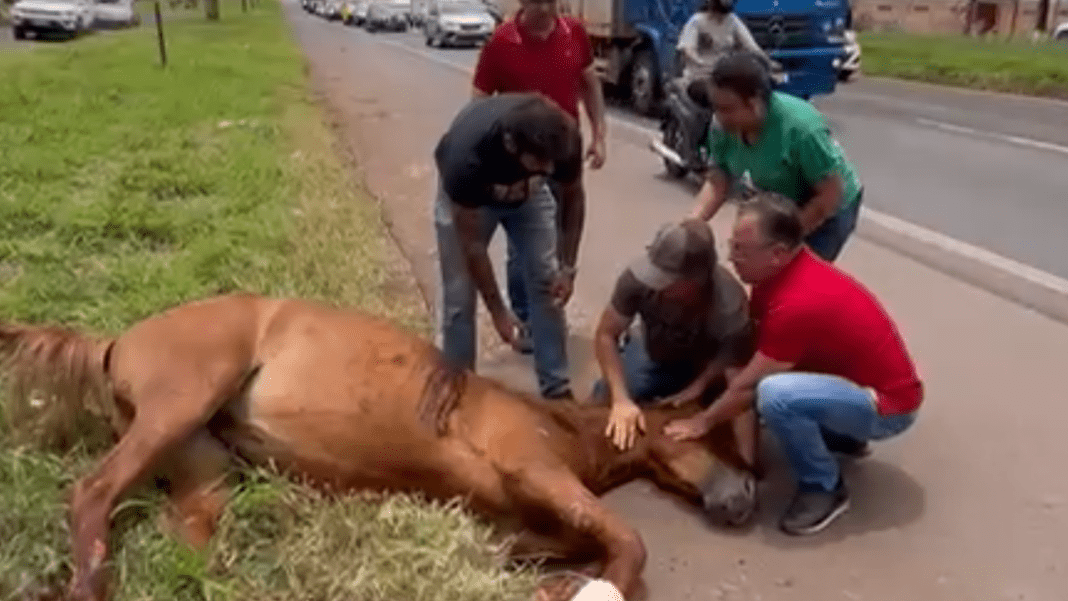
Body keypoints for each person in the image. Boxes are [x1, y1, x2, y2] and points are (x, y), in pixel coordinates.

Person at [665, 192, 924, 536]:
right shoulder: (773, 279)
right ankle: (840, 434)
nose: (732, 257)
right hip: (852, 384)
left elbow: (748, 384)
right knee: (772, 387)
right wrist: (702, 383)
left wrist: (702, 421)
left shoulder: (797, 302)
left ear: (777, 254)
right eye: (732, 245)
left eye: (742, 250)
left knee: (775, 395)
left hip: (890, 408)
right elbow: (749, 351)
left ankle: (824, 487)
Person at [472, 0, 608, 354]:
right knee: (524, 247)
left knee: (566, 224)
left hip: (563, 153)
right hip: (520, 161)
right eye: (538, 2)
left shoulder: (574, 32)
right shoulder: (501, 42)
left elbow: (589, 83)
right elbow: (479, 101)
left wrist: (599, 134)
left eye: (551, 1)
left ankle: (557, 290)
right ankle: (528, 320)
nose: (546, 9)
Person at [433, 93, 584, 400]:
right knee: (460, 297)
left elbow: (573, 197)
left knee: (547, 281)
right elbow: (473, 247)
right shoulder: (466, 157)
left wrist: (567, 267)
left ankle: (556, 388)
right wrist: (499, 312)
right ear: (513, 145)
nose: (549, 169)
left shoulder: (562, 138)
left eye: (551, 165)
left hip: (529, 199)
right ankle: (462, 389)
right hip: (471, 201)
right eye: (540, 163)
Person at [591, 219, 757, 470]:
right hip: (655, 355)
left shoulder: (729, 305)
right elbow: (606, 335)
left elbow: (738, 378)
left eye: (667, 279)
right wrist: (621, 399)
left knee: (725, 423)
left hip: (705, 367)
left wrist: (749, 465)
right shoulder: (636, 280)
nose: (655, 283)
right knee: (604, 396)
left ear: (696, 280)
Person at [690, 51, 864, 263]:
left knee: (791, 272)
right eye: (715, 107)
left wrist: (782, 238)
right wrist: (693, 223)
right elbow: (719, 179)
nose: (719, 117)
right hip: (783, 195)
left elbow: (830, 195)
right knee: (760, 262)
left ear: (755, 104)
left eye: (727, 109)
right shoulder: (722, 127)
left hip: (828, 205)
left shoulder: (800, 129)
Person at [675, 0, 772, 84]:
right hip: (700, 75)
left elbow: (751, 46)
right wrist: (702, 63)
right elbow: (689, 50)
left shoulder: (732, 20)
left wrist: (767, 62)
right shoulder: (696, 21)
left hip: (724, 74)